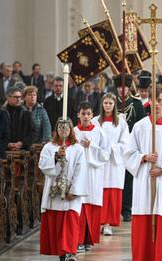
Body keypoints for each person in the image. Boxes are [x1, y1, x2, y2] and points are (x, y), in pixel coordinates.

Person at [123, 86, 162, 261]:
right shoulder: (140, 126)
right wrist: (144, 157)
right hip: (144, 182)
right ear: (149, 101)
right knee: (142, 227)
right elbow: (128, 154)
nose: (157, 104)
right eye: (154, 100)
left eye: (160, 100)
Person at [39, 119, 88, 261]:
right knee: (57, 225)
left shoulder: (77, 148)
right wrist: (56, 157)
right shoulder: (49, 147)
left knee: (71, 222)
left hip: (71, 194)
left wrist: (75, 190)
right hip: (54, 193)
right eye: (60, 128)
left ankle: (70, 252)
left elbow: (81, 170)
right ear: (56, 130)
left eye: (66, 128)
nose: (63, 130)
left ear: (71, 130)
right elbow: (43, 166)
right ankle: (62, 253)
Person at [74, 102, 109, 253]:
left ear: (92, 115)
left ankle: (89, 239)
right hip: (79, 173)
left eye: (89, 114)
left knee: (92, 205)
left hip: (94, 173)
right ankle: (79, 240)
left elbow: (106, 153)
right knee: (79, 207)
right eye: (83, 113)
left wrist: (92, 146)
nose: (86, 117)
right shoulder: (74, 131)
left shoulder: (99, 132)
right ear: (78, 115)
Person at [93, 93, 130, 236]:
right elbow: (93, 140)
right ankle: (98, 221)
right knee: (99, 191)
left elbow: (125, 143)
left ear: (114, 105)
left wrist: (110, 148)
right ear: (102, 104)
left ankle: (108, 223)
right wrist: (101, 150)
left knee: (112, 193)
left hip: (114, 162)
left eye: (110, 103)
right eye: (105, 103)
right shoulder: (96, 121)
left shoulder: (121, 123)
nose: (107, 105)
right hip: (100, 161)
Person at [113, 74, 145, 222]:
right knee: (113, 178)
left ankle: (126, 209)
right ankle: (114, 209)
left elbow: (142, 125)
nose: (122, 90)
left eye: (124, 87)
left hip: (130, 145)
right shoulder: (111, 102)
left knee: (128, 178)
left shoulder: (136, 103)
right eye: (119, 87)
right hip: (114, 146)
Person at [1, 86, 34, 151]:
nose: (19, 99)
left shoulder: (26, 112)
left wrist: (22, 143)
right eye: (16, 97)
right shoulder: (1, 113)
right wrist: (7, 144)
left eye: (20, 97)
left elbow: (32, 132)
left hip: (23, 150)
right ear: (8, 97)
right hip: (5, 149)